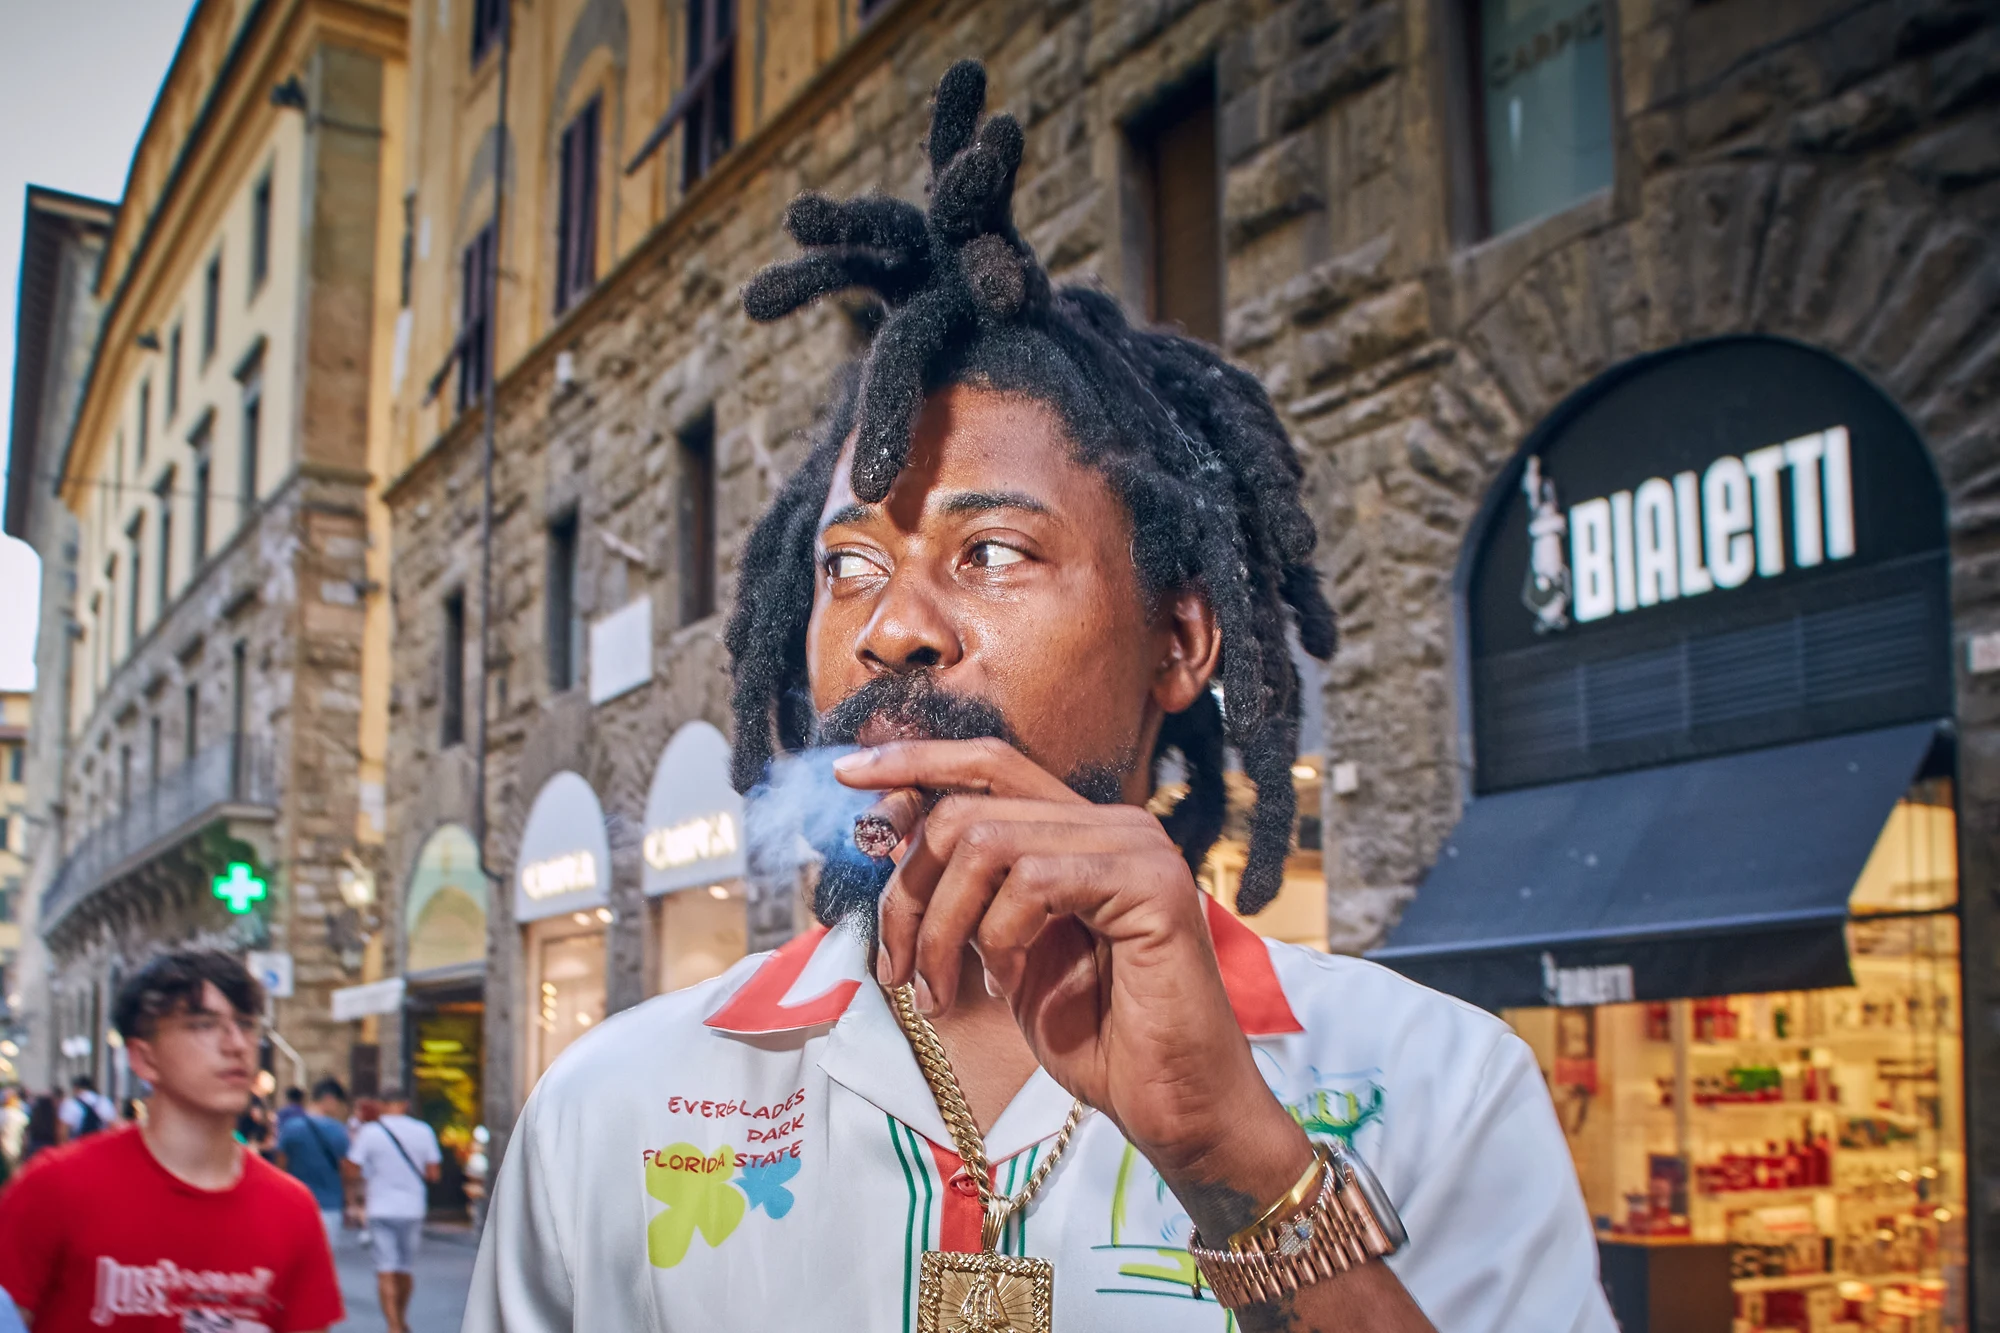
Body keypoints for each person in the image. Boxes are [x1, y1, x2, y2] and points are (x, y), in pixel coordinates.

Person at [466, 60, 1613, 1333]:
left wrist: (1235, 1158)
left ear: (1179, 642)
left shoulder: (1437, 1090)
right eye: (848, 566)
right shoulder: (611, 1113)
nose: (892, 626)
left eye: (993, 552)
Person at [0, 950, 342, 1331]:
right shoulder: (55, 1187)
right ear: (144, 1058)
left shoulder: (292, 1209)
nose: (236, 1045)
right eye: (201, 1025)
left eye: (246, 1024)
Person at [345, 1088, 440, 1333]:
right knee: (405, 1267)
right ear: (405, 1104)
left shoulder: (370, 1132)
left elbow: (353, 1168)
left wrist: (357, 1195)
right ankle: (401, 1317)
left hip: (380, 1207)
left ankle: (394, 1325)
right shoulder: (423, 1131)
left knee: (385, 1268)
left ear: (381, 1105)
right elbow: (433, 1173)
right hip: (412, 1208)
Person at [277, 1077, 352, 1242]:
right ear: (330, 1100)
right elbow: (346, 1171)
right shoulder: (339, 1131)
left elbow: (280, 1167)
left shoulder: (290, 1127)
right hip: (329, 1206)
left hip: (295, 1205)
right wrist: (350, 1202)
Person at [55, 1075, 113, 1142]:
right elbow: (113, 1126)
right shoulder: (103, 1101)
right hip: (99, 1146)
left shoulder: (70, 1104)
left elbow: (62, 1132)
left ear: (76, 1088)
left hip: (79, 1147)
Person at [17, 1097, 56, 1165]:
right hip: (49, 1150)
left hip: (33, 1150)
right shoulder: (54, 1121)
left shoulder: (34, 1119)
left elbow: (25, 1139)